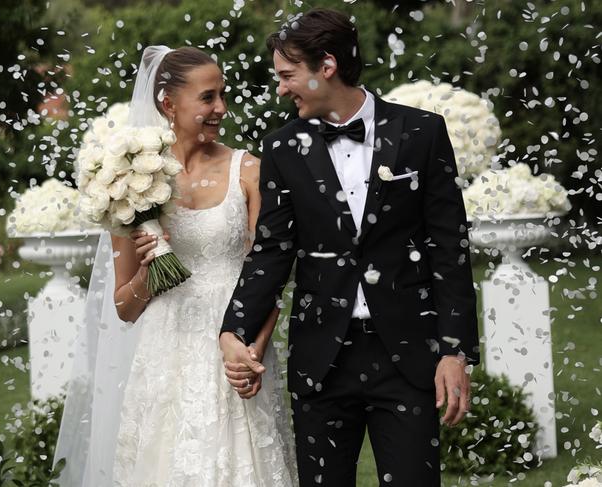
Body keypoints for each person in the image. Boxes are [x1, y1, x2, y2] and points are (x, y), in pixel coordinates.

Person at [220, 8, 480, 487]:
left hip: (407, 357)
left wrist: (455, 351)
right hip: (322, 357)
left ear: (327, 66)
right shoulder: (281, 148)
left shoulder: (421, 132)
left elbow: (450, 248)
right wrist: (234, 328)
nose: (280, 88)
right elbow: (272, 250)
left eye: (287, 75)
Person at [54, 46, 296, 487]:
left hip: (236, 348)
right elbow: (125, 307)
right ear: (168, 102)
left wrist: (253, 352)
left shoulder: (250, 171)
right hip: (165, 355)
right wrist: (149, 272)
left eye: (222, 95)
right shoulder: (130, 183)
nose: (221, 108)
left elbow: (271, 275)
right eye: (208, 98)